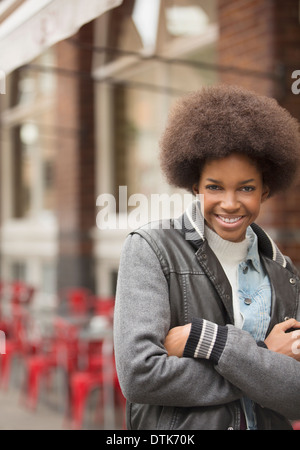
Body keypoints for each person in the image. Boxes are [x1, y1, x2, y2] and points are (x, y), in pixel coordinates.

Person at [113, 85, 300, 430]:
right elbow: (140, 376)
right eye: (215, 187)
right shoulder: (151, 249)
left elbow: (296, 397)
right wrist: (266, 360)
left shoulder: (284, 272)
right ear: (195, 186)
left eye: (246, 187)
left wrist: (209, 342)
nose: (230, 203)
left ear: (266, 189)